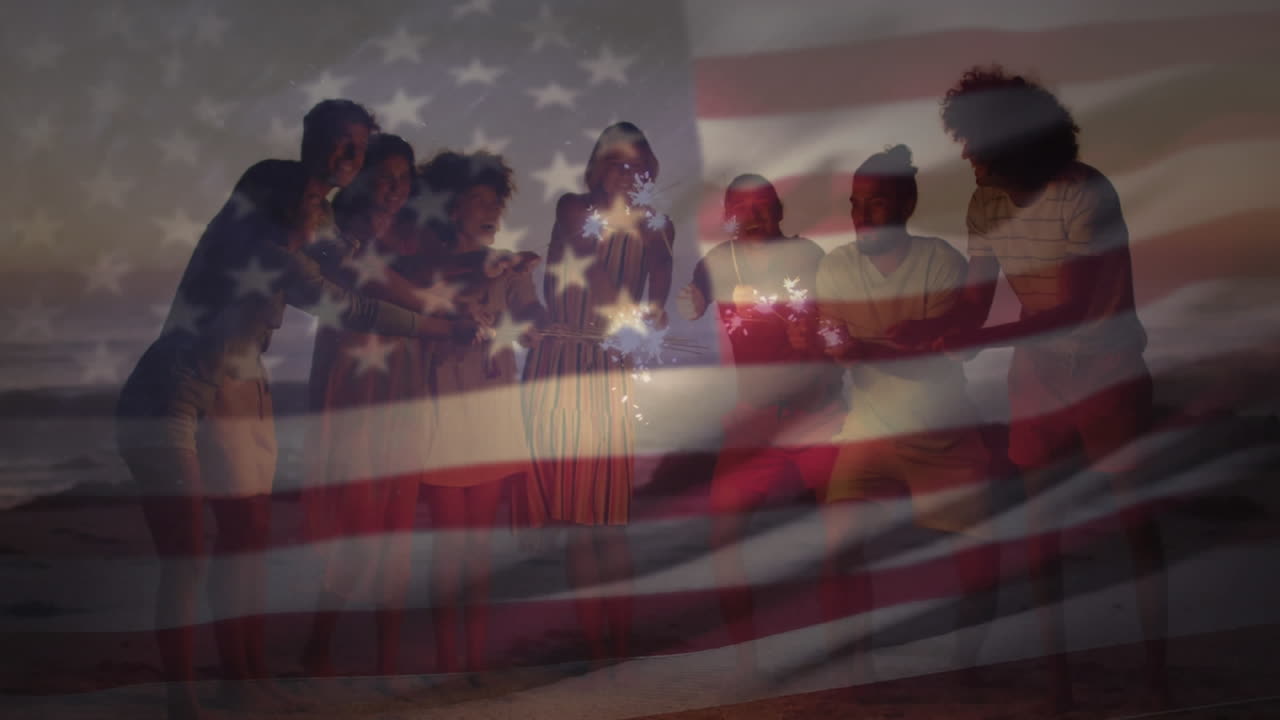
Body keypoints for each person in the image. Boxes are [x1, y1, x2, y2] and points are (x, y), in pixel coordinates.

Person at [114, 100, 476, 719]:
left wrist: (440, 313)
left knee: (247, 540)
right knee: (189, 553)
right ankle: (184, 703)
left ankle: (243, 680)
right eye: (338, 143)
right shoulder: (273, 191)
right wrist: (436, 329)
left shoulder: (321, 221)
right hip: (175, 383)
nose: (345, 156)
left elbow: (363, 275)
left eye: (356, 147)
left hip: (240, 380)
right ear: (312, 143)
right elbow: (347, 303)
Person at [898, 66, 1166, 711]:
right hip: (1037, 373)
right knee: (1039, 528)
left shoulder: (1084, 193)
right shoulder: (985, 202)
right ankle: (1058, 682)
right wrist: (929, 325)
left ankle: (1159, 672)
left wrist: (970, 339)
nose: (966, 154)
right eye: (963, 139)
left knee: (1134, 517)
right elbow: (976, 304)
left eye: (976, 140)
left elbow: (1070, 310)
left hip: (1107, 368)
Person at [792, 146, 1000, 686]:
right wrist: (812, 342)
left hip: (943, 434)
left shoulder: (939, 262)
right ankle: (857, 667)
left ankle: (966, 663)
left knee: (979, 562)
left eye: (876, 203)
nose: (861, 215)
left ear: (908, 203)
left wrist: (860, 350)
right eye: (856, 203)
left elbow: (944, 351)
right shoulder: (836, 267)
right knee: (839, 549)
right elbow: (832, 342)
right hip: (870, 429)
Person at [676, 174, 844, 681]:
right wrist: (684, 301)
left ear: (779, 209)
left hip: (816, 416)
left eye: (762, 206)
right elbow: (687, 309)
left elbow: (840, 326)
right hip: (753, 422)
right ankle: (748, 661)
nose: (752, 216)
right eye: (741, 208)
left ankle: (845, 655)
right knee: (725, 535)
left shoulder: (810, 257)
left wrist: (815, 337)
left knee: (840, 537)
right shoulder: (718, 262)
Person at [522, 122, 674, 662]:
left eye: (637, 164)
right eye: (616, 162)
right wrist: (633, 320)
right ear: (596, 166)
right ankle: (594, 647)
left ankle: (622, 645)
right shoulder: (573, 208)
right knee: (579, 521)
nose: (627, 173)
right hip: (564, 364)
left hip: (610, 372)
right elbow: (590, 269)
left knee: (609, 518)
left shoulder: (659, 226)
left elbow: (660, 277)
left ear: (649, 169)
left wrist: (652, 312)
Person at [297, 133, 430, 682]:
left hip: (403, 383)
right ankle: (319, 645)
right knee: (357, 520)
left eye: (403, 179)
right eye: (385, 175)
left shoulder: (414, 237)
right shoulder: (338, 233)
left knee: (397, 523)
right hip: (353, 381)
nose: (394, 187)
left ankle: (386, 658)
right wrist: (439, 306)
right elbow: (371, 285)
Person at [415, 150, 544, 674]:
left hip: (492, 414)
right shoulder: (424, 265)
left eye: (496, 200)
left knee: (479, 548)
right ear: (449, 207)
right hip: (442, 410)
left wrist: (532, 323)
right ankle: (448, 662)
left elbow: (530, 312)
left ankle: (476, 661)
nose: (490, 209)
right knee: (450, 549)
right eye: (478, 200)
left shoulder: (509, 266)